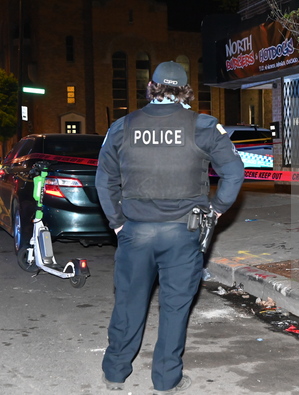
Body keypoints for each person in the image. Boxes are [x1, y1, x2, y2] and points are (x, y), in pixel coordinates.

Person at [96, 61, 245, 394]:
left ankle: (115, 373)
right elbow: (234, 173)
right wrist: (216, 211)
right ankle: (166, 380)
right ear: (185, 90)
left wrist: (117, 224)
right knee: (175, 309)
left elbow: (104, 180)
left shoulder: (123, 126)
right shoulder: (204, 126)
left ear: (151, 88)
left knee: (128, 304)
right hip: (183, 233)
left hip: (135, 231)